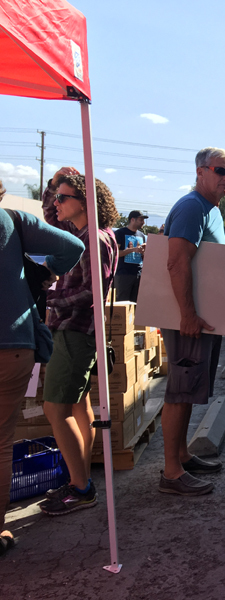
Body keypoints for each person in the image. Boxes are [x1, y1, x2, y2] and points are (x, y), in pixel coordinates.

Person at [0, 179, 84, 551]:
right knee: (1, 442)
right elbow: (72, 247)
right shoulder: (13, 220)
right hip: (12, 344)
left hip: (22, 343)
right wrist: (44, 274)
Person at [38, 168, 119, 515]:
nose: (56, 202)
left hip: (75, 330)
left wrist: (49, 299)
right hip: (78, 331)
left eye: (62, 197)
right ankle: (80, 477)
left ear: (85, 201)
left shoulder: (94, 239)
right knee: (76, 406)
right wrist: (54, 183)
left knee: (55, 408)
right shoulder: (82, 232)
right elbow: (49, 216)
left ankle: (82, 488)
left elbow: (91, 292)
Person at [158, 147, 225, 496]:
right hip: (188, 318)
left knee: (187, 390)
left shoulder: (209, 209)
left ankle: (182, 456)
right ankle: (171, 473)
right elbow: (176, 262)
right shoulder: (192, 207)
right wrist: (187, 314)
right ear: (201, 171)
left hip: (199, 317)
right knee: (180, 389)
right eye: (220, 170)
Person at [114, 210, 148, 301]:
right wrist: (132, 250)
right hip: (123, 274)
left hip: (138, 274)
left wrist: (144, 252)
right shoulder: (120, 233)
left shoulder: (142, 236)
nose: (143, 223)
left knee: (136, 304)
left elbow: (143, 256)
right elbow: (115, 253)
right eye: (141, 220)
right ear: (132, 219)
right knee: (122, 302)